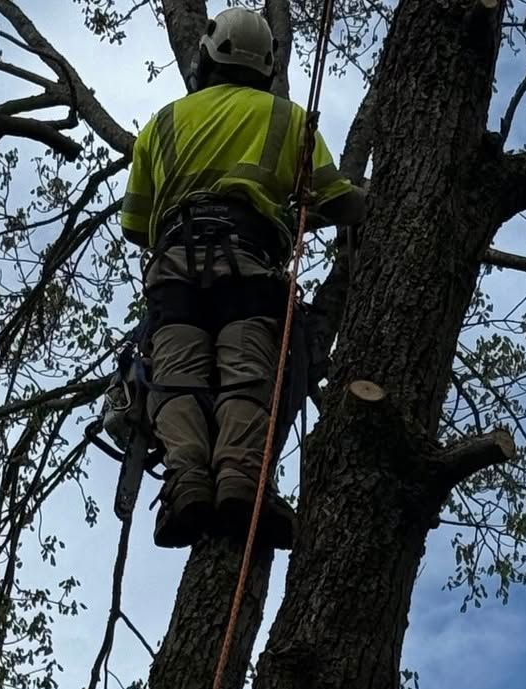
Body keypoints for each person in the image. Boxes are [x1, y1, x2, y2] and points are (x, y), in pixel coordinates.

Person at [120, 9, 367, 553]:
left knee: (177, 380)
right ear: (267, 67)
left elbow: (136, 225)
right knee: (247, 377)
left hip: (174, 273)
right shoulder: (287, 121)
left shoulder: (161, 124)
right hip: (250, 267)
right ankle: (239, 479)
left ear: (204, 58)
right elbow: (340, 201)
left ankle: (187, 482)